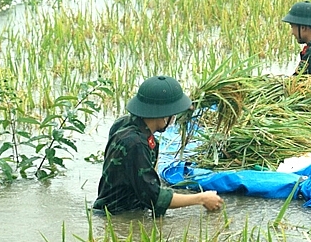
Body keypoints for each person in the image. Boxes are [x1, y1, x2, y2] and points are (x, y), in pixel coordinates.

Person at [93, 75, 224, 216]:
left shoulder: (124, 123)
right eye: (172, 115)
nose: (173, 119)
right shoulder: (135, 144)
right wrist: (201, 198)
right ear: (163, 116)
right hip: (118, 216)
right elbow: (154, 197)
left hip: (120, 207)